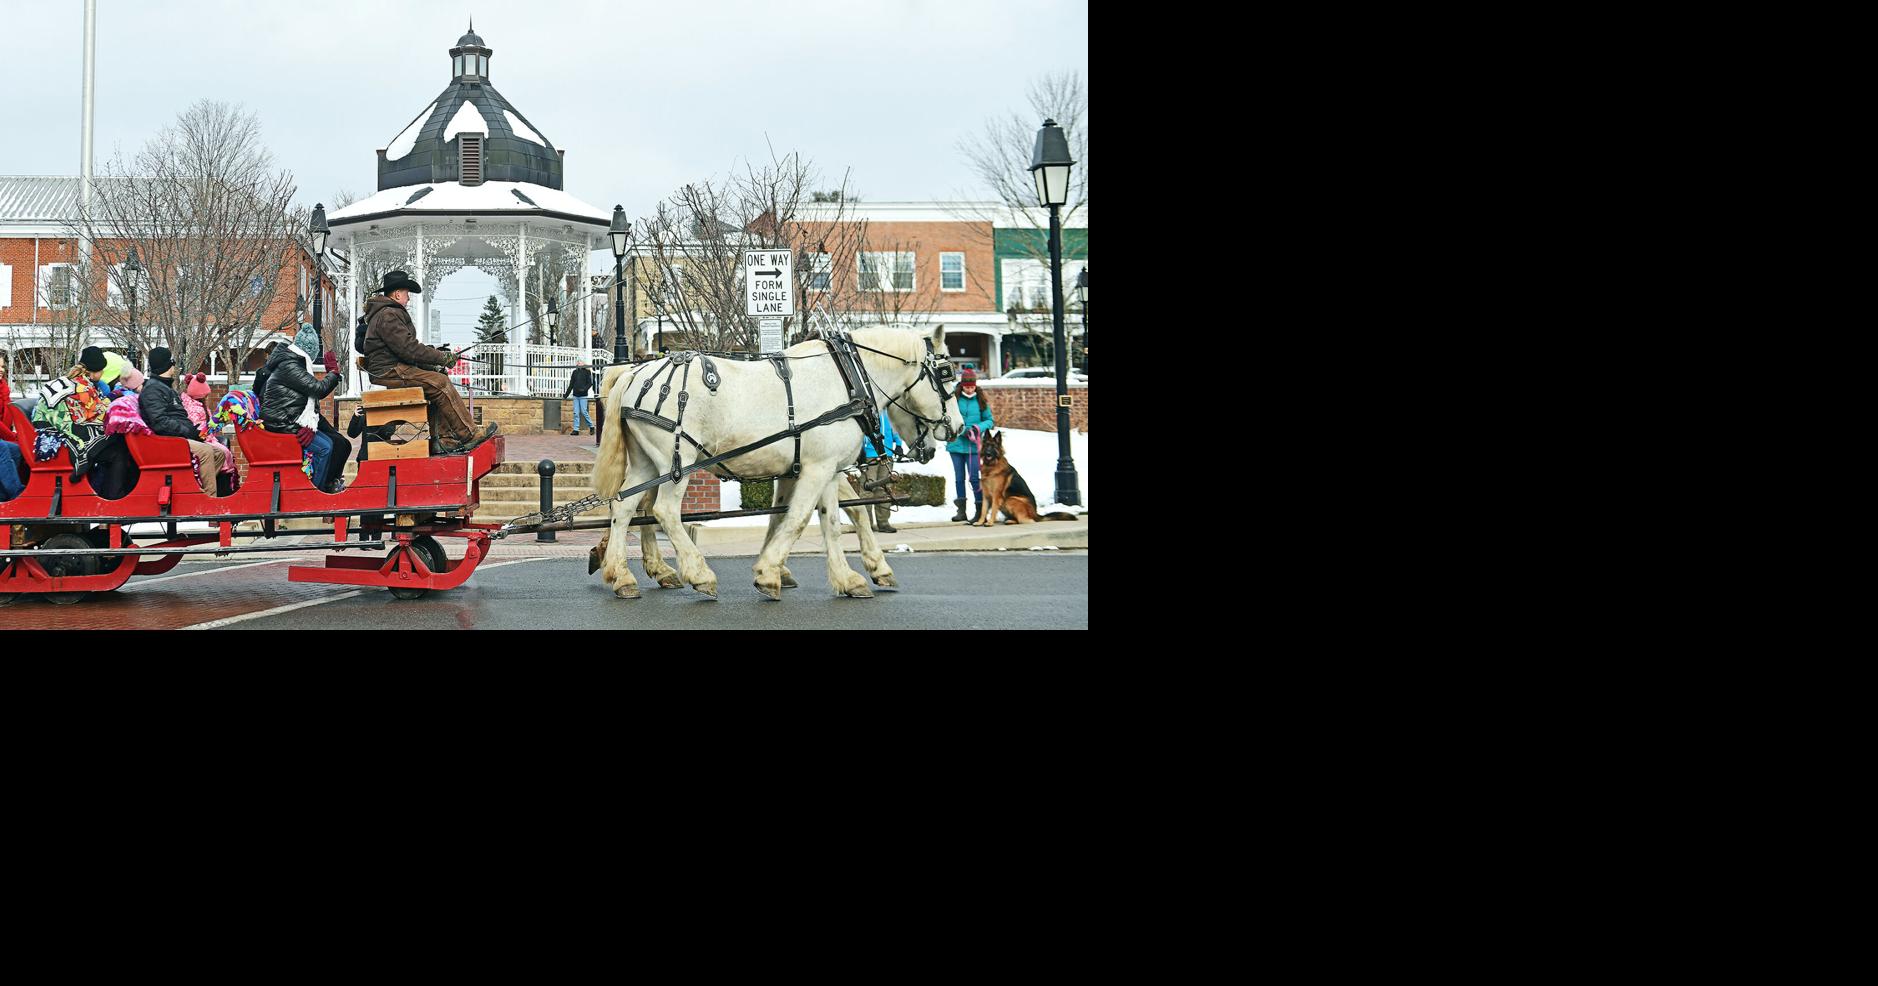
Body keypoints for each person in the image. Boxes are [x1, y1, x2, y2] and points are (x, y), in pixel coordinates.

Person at [361, 270, 495, 454]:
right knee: (439, 383)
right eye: (407, 293)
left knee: (438, 376)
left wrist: (435, 362)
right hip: (390, 371)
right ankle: (469, 434)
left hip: (394, 368)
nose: (408, 298)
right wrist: (441, 358)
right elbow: (408, 349)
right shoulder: (388, 315)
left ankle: (444, 440)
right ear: (397, 294)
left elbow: (406, 348)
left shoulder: (387, 313)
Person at [261, 325, 345, 492]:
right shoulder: (290, 365)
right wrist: (333, 373)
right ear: (308, 352)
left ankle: (320, 486)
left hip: (288, 418)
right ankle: (313, 492)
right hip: (282, 423)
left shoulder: (291, 362)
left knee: (332, 442)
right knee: (325, 448)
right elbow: (318, 390)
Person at [138, 348, 226, 496]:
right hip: (166, 440)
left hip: (178, 436)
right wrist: (188, 432)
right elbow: (160, 422)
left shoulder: (165, 388)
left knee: (219, 453)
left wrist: (194, 432)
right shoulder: (153, 390)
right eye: (172, 362)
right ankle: (209, 501)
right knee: (206, 452)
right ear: (168, 365)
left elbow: (177, 416)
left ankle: (195, 491)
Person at [947, 368, 994, 523]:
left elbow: (989, 420)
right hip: (956, 443)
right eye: (966, 386)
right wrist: (963, 430)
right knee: (959, 478)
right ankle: (961, 511)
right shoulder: (954, 399)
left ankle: (980, 511)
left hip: (974, 446)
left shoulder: (980, 400)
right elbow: (949, 418)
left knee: (974, 478)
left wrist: (977, 428)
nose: (969, 389)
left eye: (972, 386)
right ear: (962, 385)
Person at [858, 410, 901, 534]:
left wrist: (898, 443)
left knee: (885, 489)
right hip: (870, 455)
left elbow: (894, 428)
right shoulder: (867, 410)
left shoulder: (888, 410)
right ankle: (867, 524)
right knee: (868, 488)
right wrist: (861, 451)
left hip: (887, 454)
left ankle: (883, 523)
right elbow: (861, 431)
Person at [0, 366, 27, 502]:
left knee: (16, 449)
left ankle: (3, 497)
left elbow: (9, 415)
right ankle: (17, 494)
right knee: (2, 448)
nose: (1, 369)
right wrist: (13, 436)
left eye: (3, 366)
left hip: (3, 435)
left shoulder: (3, 388)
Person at [563, 362, 595, 436]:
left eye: (580, 361)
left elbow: (590, 383)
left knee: (584, 412)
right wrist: (566, 394)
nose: (578, 362)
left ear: (583, 363)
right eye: (578, 362)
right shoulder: (575, 372)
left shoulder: (587, 372)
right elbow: (571, 384)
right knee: (576, 413)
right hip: (575, 395)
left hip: (583, 395)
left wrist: (584, 389)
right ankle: (576, 430)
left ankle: (591, 426)